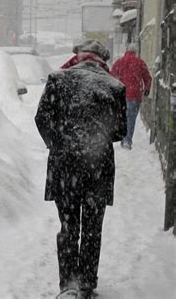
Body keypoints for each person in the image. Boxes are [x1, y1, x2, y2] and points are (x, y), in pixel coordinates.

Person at [35, 40, 127, 299]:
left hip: (64, 169)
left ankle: (68, 284)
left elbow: (41, 118)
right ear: (102, 59)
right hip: (98, 169)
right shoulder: (114, 86)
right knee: (92, 228)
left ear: (77, 56)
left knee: (68, 226)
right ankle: (87, 282)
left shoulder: (57, 80)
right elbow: (121, 130)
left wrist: (60, 144)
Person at [111, 43, 152, 150]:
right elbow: (148, 78)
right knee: (131, 118)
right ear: (135, 52)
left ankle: (123, 138)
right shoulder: (140, 63)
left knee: (122, 117)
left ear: (126, 51)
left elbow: (111, 77)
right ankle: (127, 140)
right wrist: (147, 89)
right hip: (135, 95)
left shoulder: (119, 62)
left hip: (121, 94)